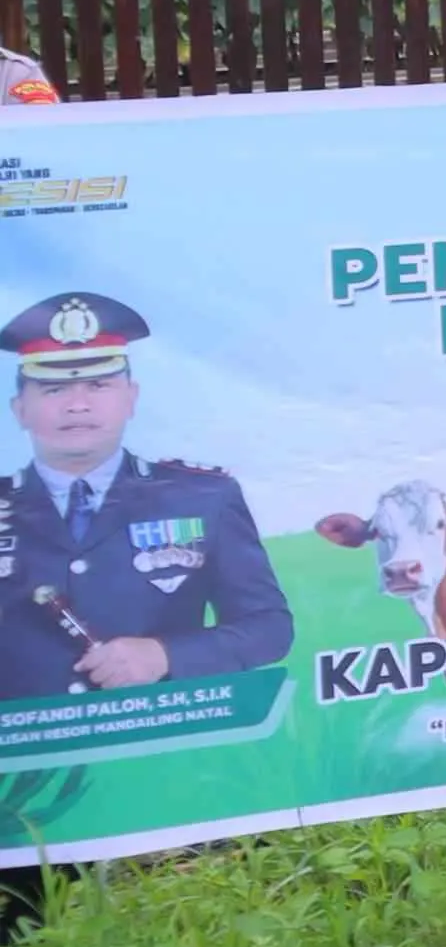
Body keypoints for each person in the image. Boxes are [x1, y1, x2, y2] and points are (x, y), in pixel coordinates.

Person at [1, 292, 292, 701]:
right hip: (24, 754)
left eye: (99, 385)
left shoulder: (204, 497)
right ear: (19, 409)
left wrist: (164, 656)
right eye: (53, 390)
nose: (78, 405)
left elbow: (269, 629)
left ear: (131, 399)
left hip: (159, 746)